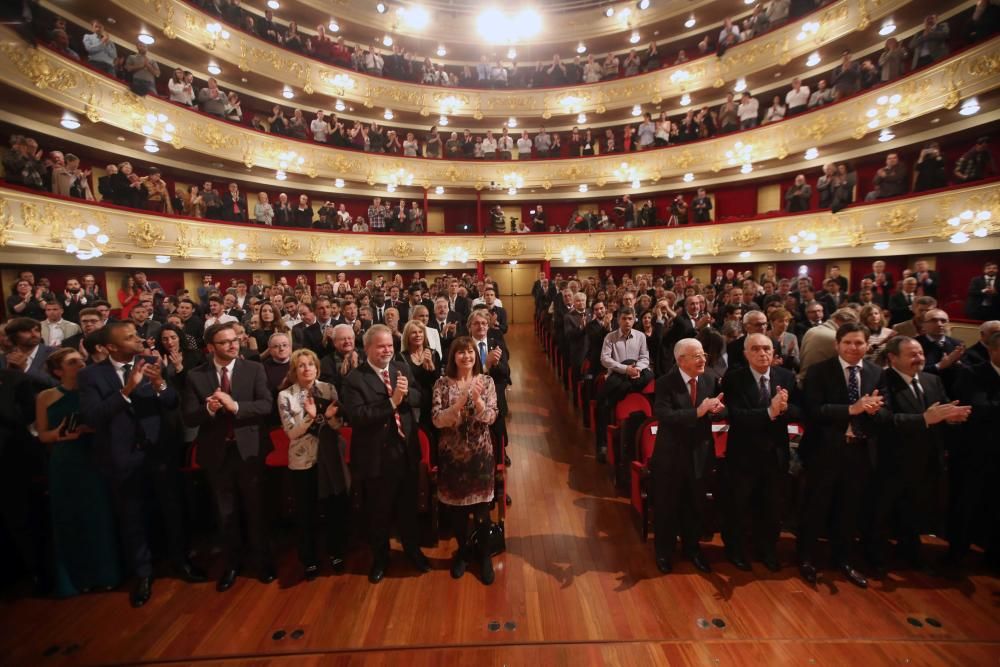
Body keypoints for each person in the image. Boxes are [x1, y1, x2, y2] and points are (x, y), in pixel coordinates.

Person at [79, 322, 204, 608]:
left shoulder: (150, 362)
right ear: (111, 347)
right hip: (121, 457)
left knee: (172, 511)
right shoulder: (91, 376)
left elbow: (172, 402)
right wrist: (127, 389)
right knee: (132, 518)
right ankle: (144, 573)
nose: (138, 339)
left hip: (159, 453)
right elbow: (93, 417)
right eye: (130, 337)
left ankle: (181, 562)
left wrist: (160, 383)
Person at [182, 323, 275, 592]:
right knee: (226, 513)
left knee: (256, 509)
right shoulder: (196, 376)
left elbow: (266, 404)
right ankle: (232, 564)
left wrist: (236, 407)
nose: (233, 345)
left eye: (235, 340)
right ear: (210, 347)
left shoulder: (254, 368)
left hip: (250, 451)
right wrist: (207, 409)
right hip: (217, 454)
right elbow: (188, 416)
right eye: (225, 342)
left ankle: (262, 561)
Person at [798, 323, 890, 589]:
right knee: (816, 507)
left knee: (849, 510)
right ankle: (806, 558)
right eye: (848, 342)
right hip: (824, 451)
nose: (853, 348)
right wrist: (853, 408)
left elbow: (887, 413)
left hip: (859, 452)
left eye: (859, 343)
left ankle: (843, 560)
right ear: (837, 344)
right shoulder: (820, 371)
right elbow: (814, 410)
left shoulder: (875, 373)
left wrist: (873, 411)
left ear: (867, 345)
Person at [868, 336, 969, 576]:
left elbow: (941, 410)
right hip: (892, 459)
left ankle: (910, 552)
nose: (919, 359)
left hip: (925, 460)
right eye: (912, 355)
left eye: (921, 353)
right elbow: (885, 420)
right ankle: (875, 556)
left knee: (914, 510)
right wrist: (924, 419)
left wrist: (952, 417)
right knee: (881, 511)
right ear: (892, 358)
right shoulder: (882, 380)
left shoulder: (932, 380)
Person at [339, 325, 430, 584]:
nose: (387, 350)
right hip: (375, 458)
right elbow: (358, 416)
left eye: (390, 345)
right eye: (381, 346)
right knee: (378, 512)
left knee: (407, 508)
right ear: (367, 348)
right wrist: (392, 401)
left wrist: (404, 396)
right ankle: (380, 558)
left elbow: (418, 397)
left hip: (404, 452)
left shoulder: (401, 369)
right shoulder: (355, 379)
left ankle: (413, 551)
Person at [36, 348, 121, 597]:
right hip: (66, 461)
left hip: (95, 455)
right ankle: (77, 577)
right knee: (70, 518)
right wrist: (61, 434)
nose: (81, 364)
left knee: (100, 515)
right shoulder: (45, 396)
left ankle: (107, 574)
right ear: (58, 371)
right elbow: (42, 434)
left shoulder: (95, 391)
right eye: (73, 362)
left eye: (82, 360)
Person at [721, 333, 800, 572]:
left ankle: (767, 550)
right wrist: (769, 412)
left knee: (772, 507)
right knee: (739, 506)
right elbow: (736, 416)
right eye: (755, 349)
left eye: (766, 348)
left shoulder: (786, 377)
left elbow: (800, 411)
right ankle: (736, 551)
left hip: (775, 455)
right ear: (746, 354)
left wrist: (785, 408)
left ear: (774, 353)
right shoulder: (733, 379)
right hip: (743, 454)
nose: (762, 353)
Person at [651, 338, 726, 574]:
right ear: (681, 360)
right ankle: (664, 552)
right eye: (697, 356)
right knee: (667, 506)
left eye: (703, 354)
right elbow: (663, 414)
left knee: (695, 504)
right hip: (671, 456)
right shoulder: (665, 382)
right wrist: (698, 411)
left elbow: (713, 413)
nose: (703, 359)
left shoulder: (709, 379)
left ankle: (692, 549)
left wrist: (715, 411)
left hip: (699, 454)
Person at [432, 337, 500, 584]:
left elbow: (491, 417)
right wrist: (460, 403)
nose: (466, 356)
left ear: (475, 356)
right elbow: (437, 420)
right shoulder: (441, 383)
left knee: (482, 511)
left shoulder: (487, 381)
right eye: (461, 352)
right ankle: (462, 551)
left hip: (480, 456)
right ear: (453, 357)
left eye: (470, 352)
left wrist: (478, 400)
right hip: (452, 456)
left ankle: (483, 556)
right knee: (458, 512)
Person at [278, 349, 349, 580]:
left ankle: (336, 552)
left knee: (334, 509)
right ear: (294, 371)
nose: (307, 368)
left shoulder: (328, 389)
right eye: (302, 365)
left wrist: (328, 417)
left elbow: (338, 425)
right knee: (306, 512)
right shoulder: (286, 396)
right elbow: (291, 432)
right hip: (303, 460)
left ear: (317, 368)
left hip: (329, 458)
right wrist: (310, 417)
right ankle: (309, 559)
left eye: (311, 364)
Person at [946, 330, 1000, 572]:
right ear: (992, 350)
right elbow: (978, 409)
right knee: (966, 505)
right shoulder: (972, 373)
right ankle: (956, 554)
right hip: (975, 454)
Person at [596, 307, 653, 462]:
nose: (627, 321)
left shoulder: (640, 336)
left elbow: (645, 358)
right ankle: (602, 444)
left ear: (634, 319)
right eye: (623, 318)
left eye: (630, 318)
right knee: (601, 403)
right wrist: (625, 368)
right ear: (618, 320)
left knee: (651, 376)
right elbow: (605, 359)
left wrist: (636, 369)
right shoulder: (610, 337)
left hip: (636, 375)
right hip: (618, 374)